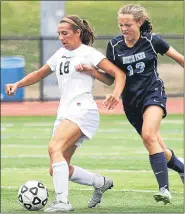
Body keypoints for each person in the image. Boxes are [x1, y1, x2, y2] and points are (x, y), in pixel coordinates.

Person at [5, 15, 126, 212]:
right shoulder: (60, 54)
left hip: (83, 109)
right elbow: (39, 73)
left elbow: (116, 75)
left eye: (65, 33)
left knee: (54, 147)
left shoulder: (89, 53)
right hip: (65, 111)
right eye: (59, 34)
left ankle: (63, 202)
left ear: (78, 32)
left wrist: (114, 92)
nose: (61, 37)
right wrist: (17, 84)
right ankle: (100, 182)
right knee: (56, 169)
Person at [75, 4, 184, 205]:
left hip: (153, 94)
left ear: (139, 22)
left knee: (149, 135)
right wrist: (91, 71)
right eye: (121, 25)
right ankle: (181, 168)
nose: (124, 29)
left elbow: (180, 59)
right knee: (156, 146)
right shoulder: (115, 46)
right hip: (131, 103)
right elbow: (111, 79)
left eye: (128, 24)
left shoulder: (153, 41)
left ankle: (165, 190)